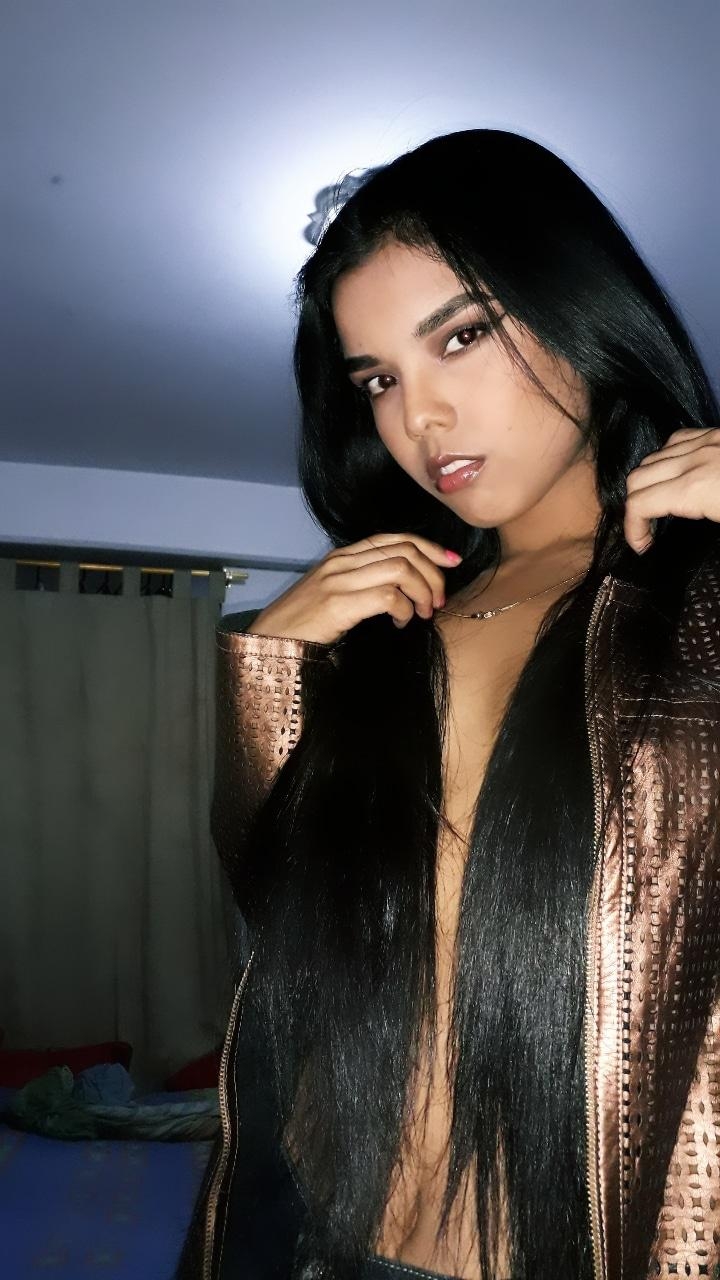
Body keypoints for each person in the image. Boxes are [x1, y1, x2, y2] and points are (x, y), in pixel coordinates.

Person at [178, 130, 720, 1280]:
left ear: (579, 306)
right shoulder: (385, 633)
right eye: (377, 378)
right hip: (315, 1230)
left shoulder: (699, 597)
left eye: (461, 335)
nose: (418, 418)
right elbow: (277, 907)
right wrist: (268, 669)